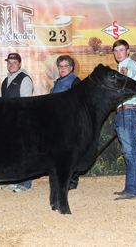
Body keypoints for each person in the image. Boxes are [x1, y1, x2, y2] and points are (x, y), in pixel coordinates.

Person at [112, 39, 136, 200]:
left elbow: (133, 74)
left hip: (128, 113)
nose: (118, 53)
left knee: (131, 153)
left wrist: (124, 72)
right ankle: (130, 188)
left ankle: (133, 191)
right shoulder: (120, 66)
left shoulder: (130, 65)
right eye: (116, 51)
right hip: (124, 113)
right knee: (129, 153)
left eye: (121, 50)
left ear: (128, 51)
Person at [0, 53, 34, 192]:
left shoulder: (24, 79)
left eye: (14, 62)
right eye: (9, 62)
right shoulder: (5, 81)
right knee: (12, 153)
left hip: (21, 122)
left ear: (20, 64)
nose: (11, 64)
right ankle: (14, 181)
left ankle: (25, 183)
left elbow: (25, 103)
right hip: (9, 123)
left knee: (23, 153)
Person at [50, 55, 81, 190]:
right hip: (57, 123)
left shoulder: (75, 81)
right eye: (60, 66)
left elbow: (79, 103)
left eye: (65, 66)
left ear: (71, 67)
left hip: (69, 123)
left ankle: (72, 180)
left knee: (69, 152)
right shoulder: (58, 82)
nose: (62, 69)